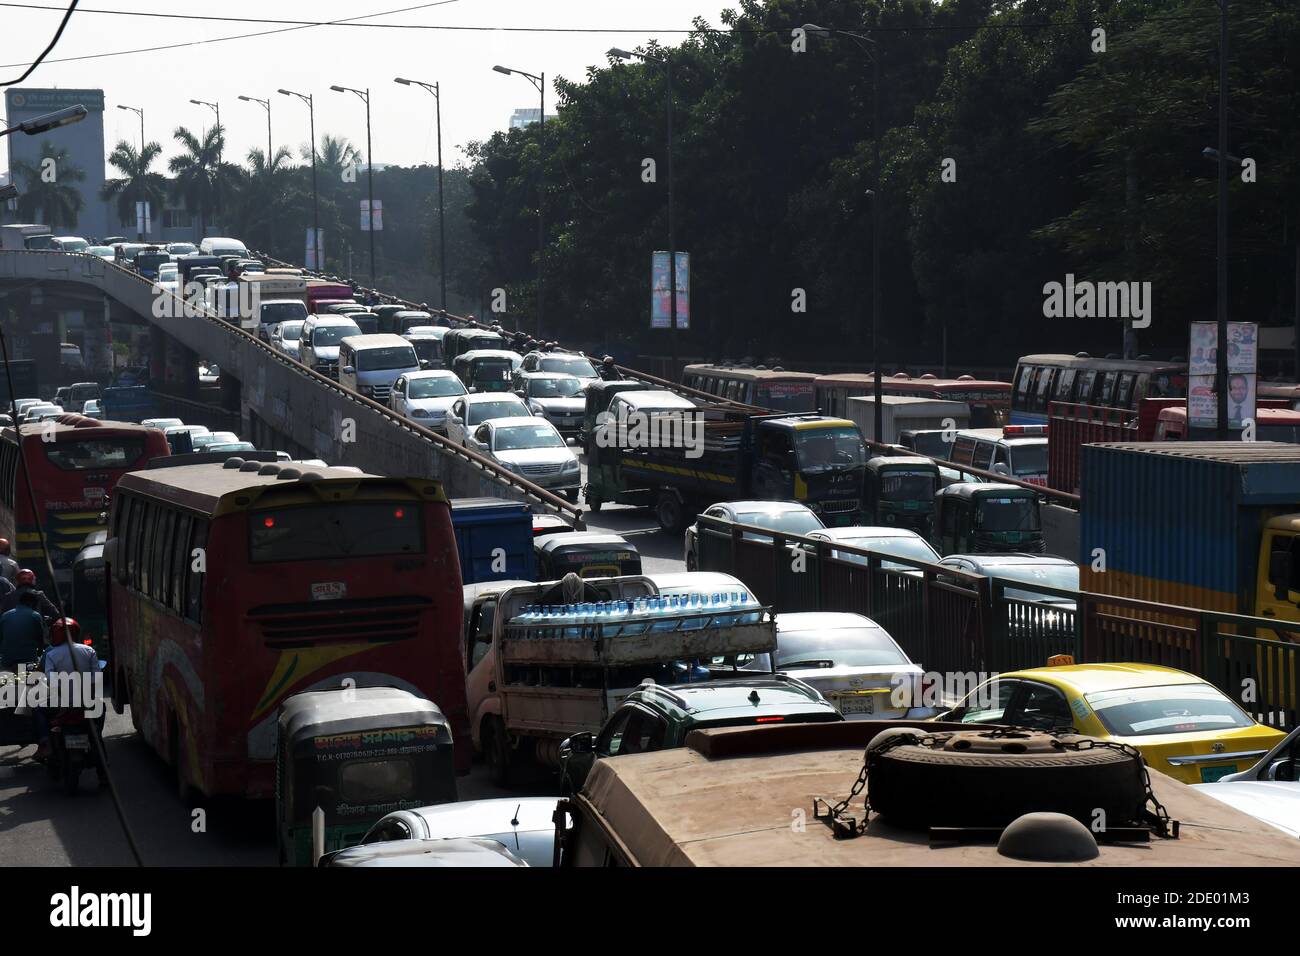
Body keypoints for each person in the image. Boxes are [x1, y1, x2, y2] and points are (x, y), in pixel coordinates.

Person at [0, 590, 47, 669]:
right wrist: (40, 651)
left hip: (7, 660)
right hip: (29, 659)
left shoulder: (5, 615)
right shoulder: (35, 616)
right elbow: (40, 639)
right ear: (31, 603)